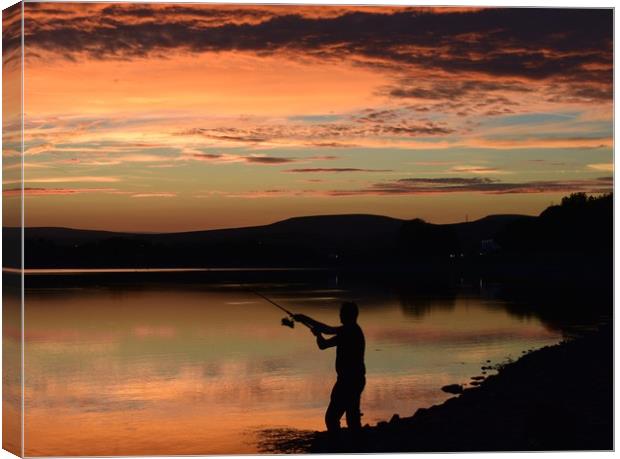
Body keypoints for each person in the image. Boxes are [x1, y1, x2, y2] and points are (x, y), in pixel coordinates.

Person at [293, 302, 366, 433]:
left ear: (349, 315)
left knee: (333, 418)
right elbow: (324, 345)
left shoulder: (351, 331)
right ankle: (353, 445)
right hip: (349, 380)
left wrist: (304, 318)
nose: (340, 316)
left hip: (349, 381)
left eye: (342, 313)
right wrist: (318, 335)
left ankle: (340, 445)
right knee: (350, 417)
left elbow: (328, 330)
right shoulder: (347, 333)